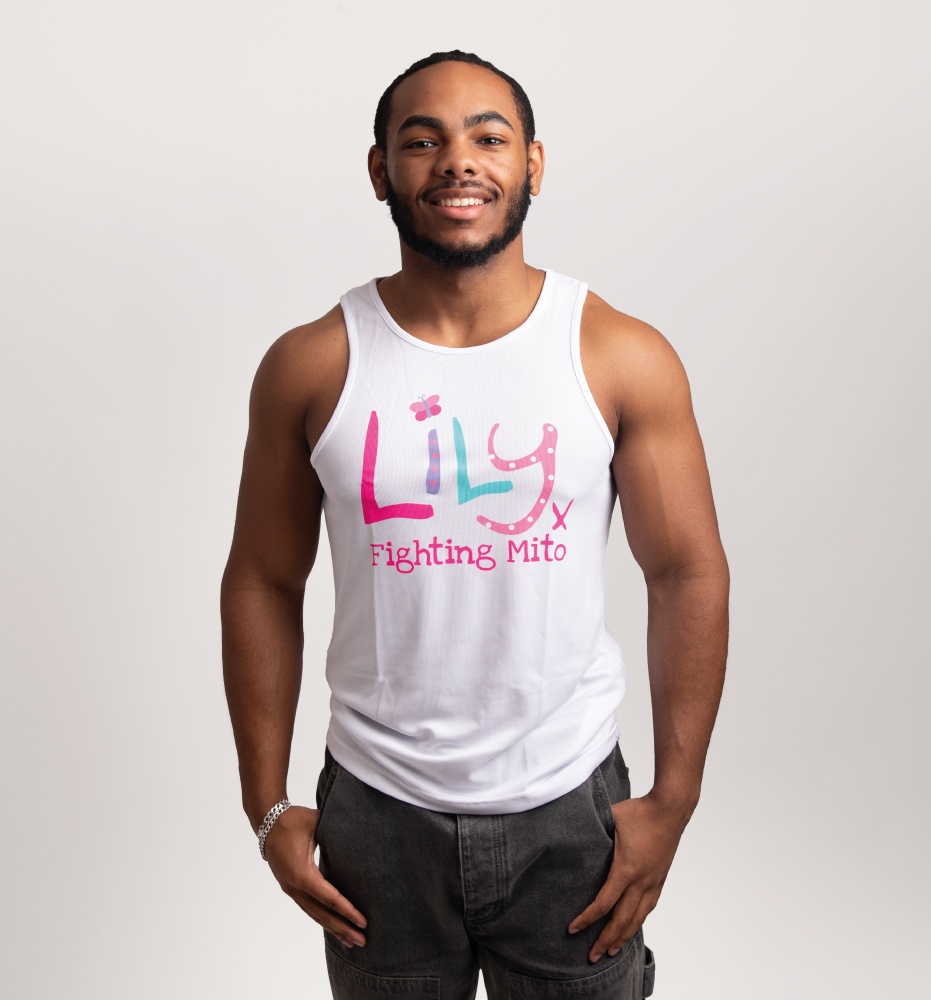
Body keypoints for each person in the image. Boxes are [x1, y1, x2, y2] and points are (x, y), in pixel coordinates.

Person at [221, 50, 729, 1000]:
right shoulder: (312, 365)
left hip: (570, 810)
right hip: (377, 815)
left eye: (489, 137)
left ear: (534, 163)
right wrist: (267, 803)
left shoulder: (618, 354)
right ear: (381, 170)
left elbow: (687, 572)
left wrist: (676, 796)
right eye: (423, 140)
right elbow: (261, 577)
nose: (459, 161)